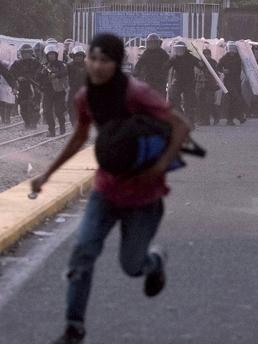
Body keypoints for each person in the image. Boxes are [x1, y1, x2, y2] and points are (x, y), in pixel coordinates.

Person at [30, 33, 190, 344]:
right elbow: (79, 137)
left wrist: (159, 166)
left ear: (117, 64)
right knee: (82, 254)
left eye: (105, 60)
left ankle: (154, 261)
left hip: (144, 196)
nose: (97, 65)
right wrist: (47, 174)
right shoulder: (85, 97)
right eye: (93, 58)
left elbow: (181, 126)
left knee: (132, 266)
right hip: (105, 190)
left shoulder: (137, 94)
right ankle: (74, 328)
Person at [166, 41, 201, 128]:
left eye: (181, 49)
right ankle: (181, 117)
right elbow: (165, 67)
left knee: (189, 102)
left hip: (189, 82)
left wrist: (202, 64)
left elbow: (201, 65)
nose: (179, 51)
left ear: (185, 49)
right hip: (178, 81)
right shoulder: (174, 59)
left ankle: (190, 121)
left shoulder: (191, 58)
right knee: (173, 97)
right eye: (177, 49)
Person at [38, 43, 68, 137]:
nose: (51, 56)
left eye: (53, 54)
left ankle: (62, 127)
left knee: (59, 111)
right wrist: (41, 73)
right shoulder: (43, 65)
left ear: (56, 54)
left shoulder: (60, 64)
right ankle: (51, 130)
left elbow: (64, 72)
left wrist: (56, 74)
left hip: (59, 91)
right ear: (47, 55)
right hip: (47, 91)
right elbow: (37, 77)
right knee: (46, 111)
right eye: (50, 54)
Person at [10, 44, 41, 129]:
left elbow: (41, 73)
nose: (26, 55)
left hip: (34, 87)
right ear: (21, 53)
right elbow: (11, 74)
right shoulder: (17, 63)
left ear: (31, 53)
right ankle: (27, 122)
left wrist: (36, 80)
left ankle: (34, 123)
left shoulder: (36, 62)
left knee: (35, 106)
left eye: (28, 53)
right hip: (23, 87)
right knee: (23, 106)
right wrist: (18, 78)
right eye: (24, 53)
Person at [218, 41, 246, 126]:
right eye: (230, 49)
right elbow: (218, 67)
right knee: (236, 98)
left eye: (233, 49)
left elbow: (246, 64)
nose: (232, 51)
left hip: (237, 80)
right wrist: (223, 70)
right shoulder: (224, 58)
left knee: (234, 100)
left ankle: (231, 119)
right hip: (228, 81)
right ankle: (239, 116)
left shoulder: (239, 57)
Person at [195, 48, 220, 126]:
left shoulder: (213, 62)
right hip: (201, 85)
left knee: (209, 102)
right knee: (201, 103)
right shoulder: (199, 63)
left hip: (210, 85)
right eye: (205, 54)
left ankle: (214, 117)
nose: (206, 56)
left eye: (208, 54)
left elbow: (215, 73)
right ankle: (203, 120)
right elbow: (197, 72)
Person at [67, 46, 87, 125]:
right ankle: (74, 124)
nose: (78, 58)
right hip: (73, 89)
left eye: (80, 56)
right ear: (73, 57)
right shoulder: (69, 66)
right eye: (77, 56)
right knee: (71, 107)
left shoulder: (87, 66)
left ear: (83, 57)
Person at [0, 59, 16, 124]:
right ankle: (4, 119)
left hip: (4, 86)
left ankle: (6, 119)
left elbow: (7, 75)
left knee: (5, 103)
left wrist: (13, 86)